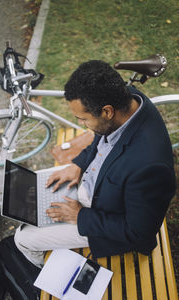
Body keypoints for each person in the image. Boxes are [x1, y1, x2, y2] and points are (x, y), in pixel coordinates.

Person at [14, 60, 176, 268]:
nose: (82, 125)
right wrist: (78, 165)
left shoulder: (149, 167)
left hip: (99, 216)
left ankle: (46, 279)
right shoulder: (126, 101)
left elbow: (139, 232)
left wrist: (81, 216)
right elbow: (102, 139)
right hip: (91, 184)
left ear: (107, 111)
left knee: (23, 238)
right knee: (30, 187)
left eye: (83, 119)